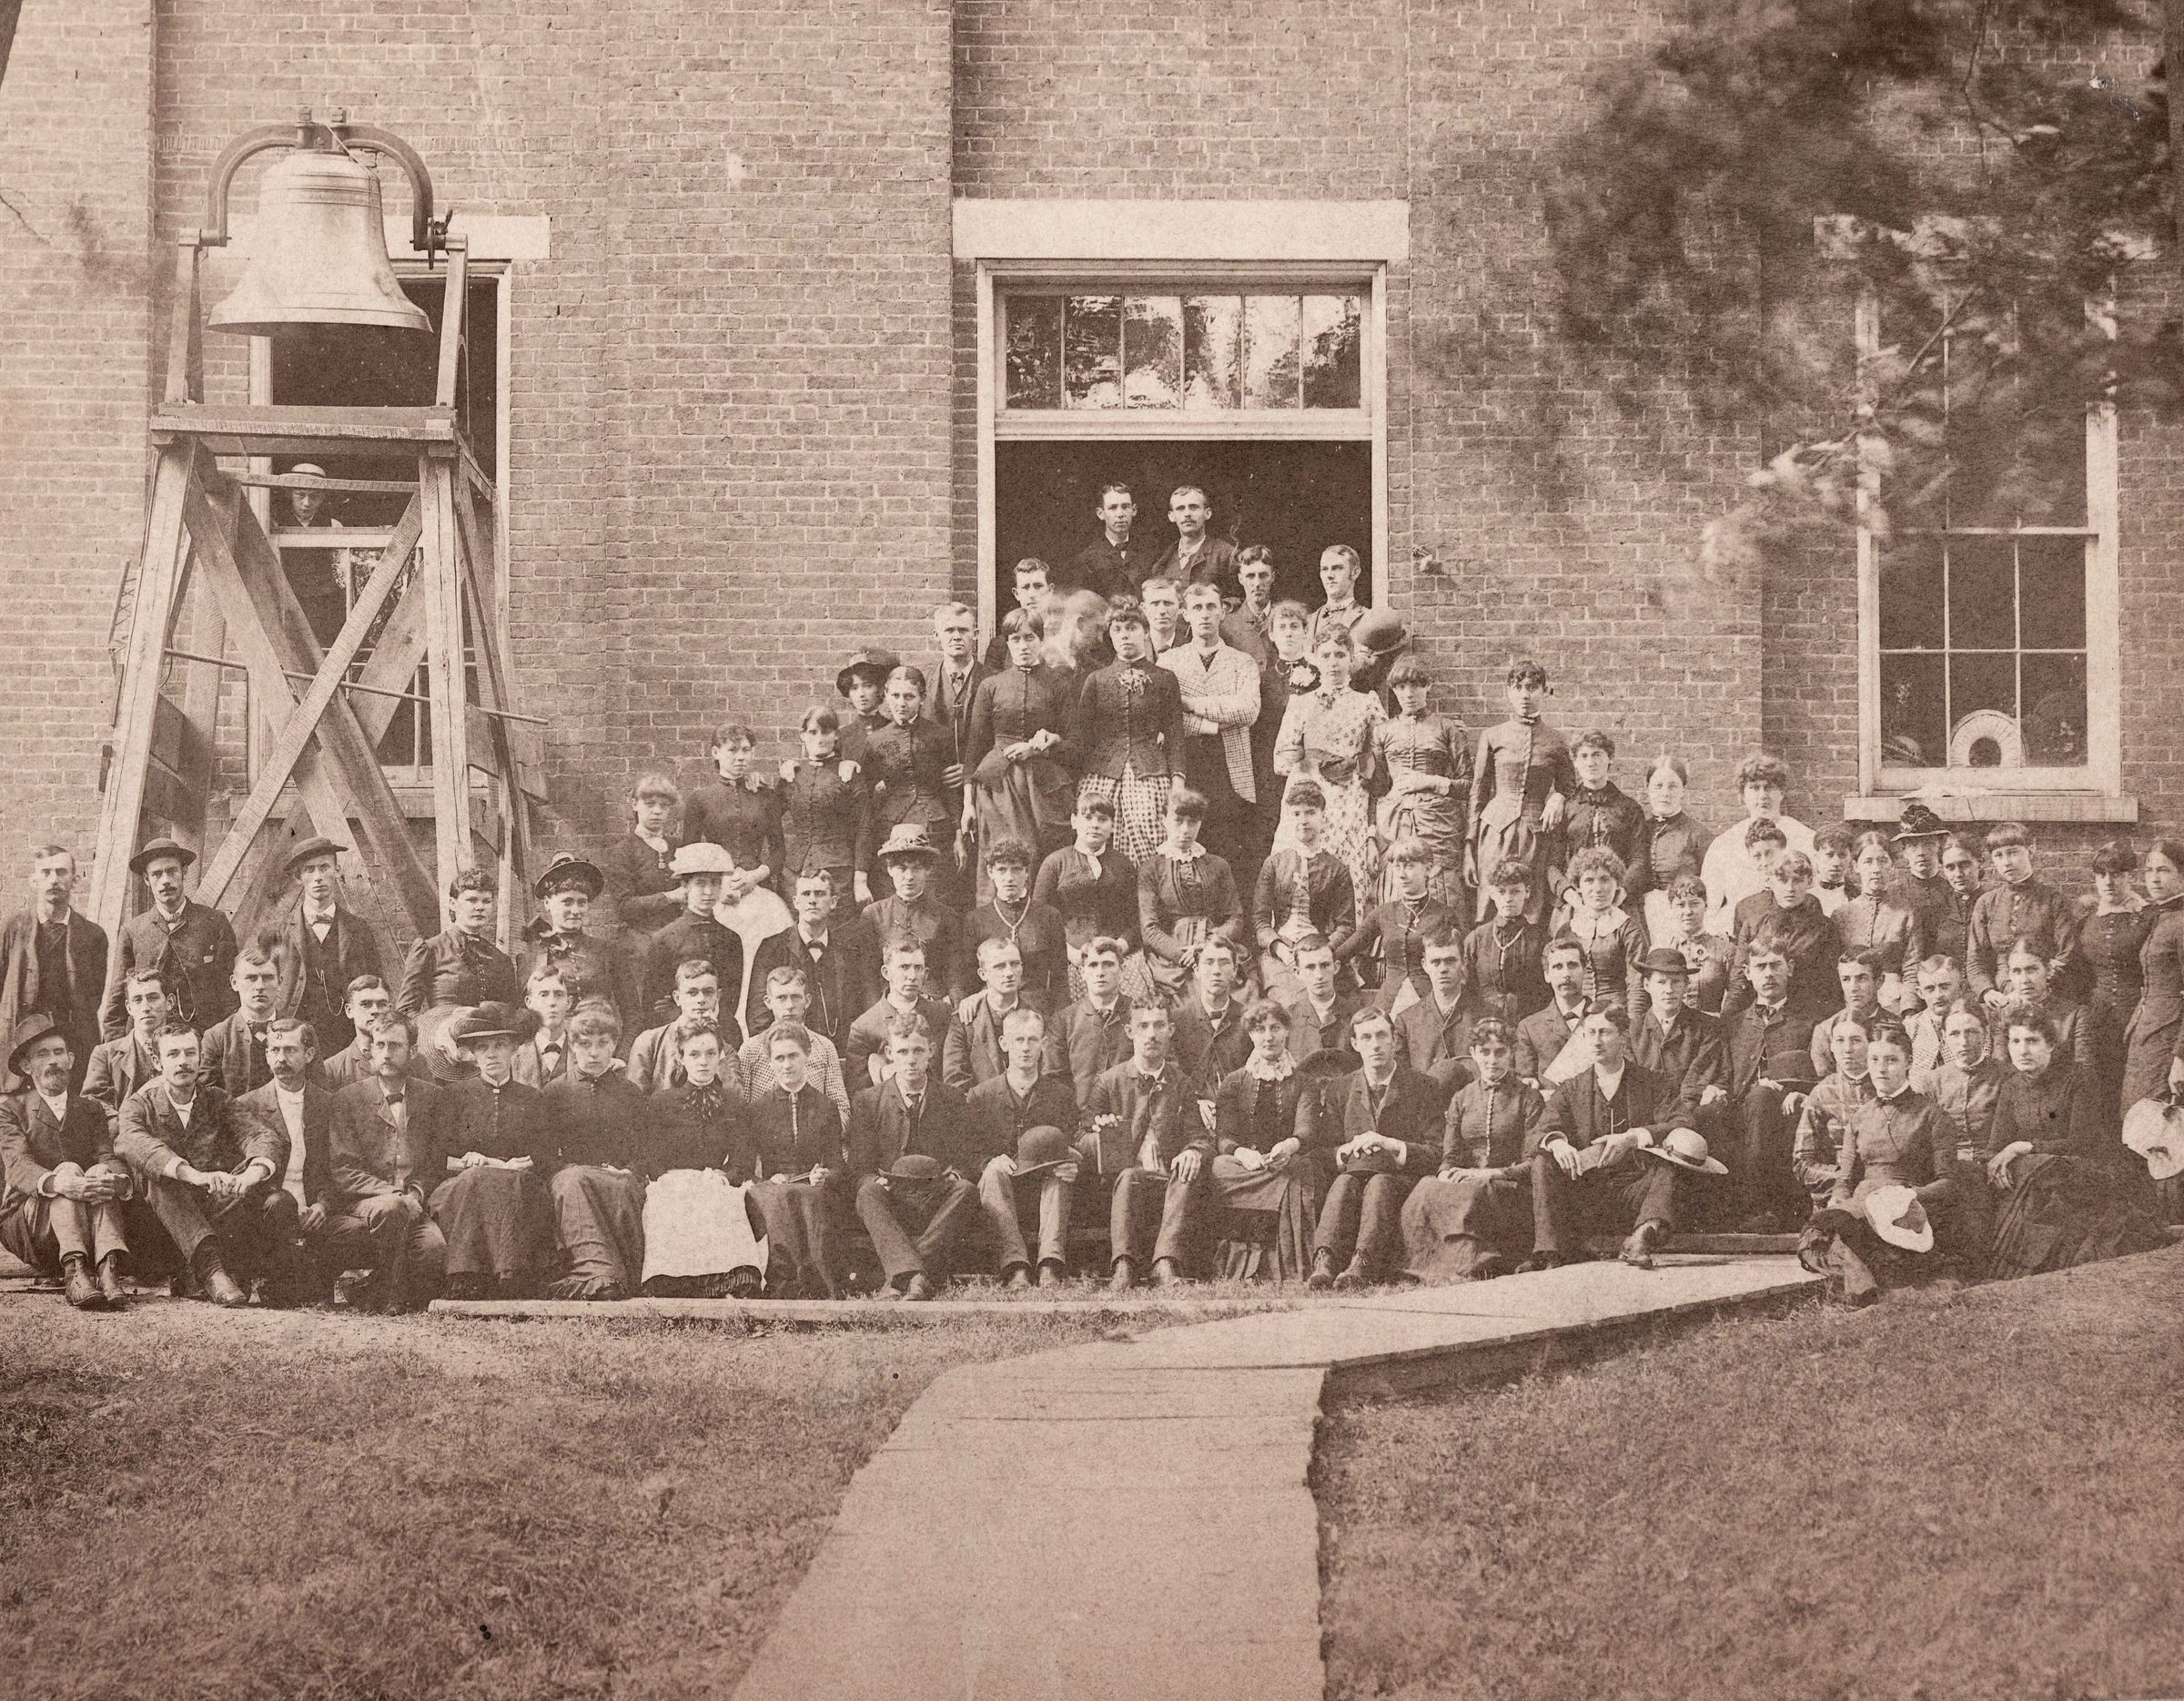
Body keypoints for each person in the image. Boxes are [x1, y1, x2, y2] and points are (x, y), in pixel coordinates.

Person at [1983, 1000, 2169, 1280]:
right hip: (2041, 1174)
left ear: (2050, 1044)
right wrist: (1998, 1162)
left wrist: (2023, 1147)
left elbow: (2083, 1142)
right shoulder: (2011, 1087)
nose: (2022, 1050)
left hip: (2090, 1171)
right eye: (2015, 1041)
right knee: (2029, 1175)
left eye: (2032, 1041)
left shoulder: (2079, 1078)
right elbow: (1997, 1145)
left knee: (2043, 1173)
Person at [116, 1019, 295, 1306]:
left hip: (213, 1207)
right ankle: (211, 1271)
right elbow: (132, 1143)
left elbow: (261, 1136)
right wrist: (192, 1175)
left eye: (190, 1053)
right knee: (157, 1176)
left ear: (200, 1058)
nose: (183, 1061)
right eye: (173, 1054)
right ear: (157, 1062)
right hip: (160, 1227)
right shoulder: (139, 1104)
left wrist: (249, 1175)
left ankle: (223, 1274)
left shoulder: (216, 1099)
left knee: (278, 1199)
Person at [1805, 1022, 1984, 1303]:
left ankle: (1864, 1287)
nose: (1881, 1069)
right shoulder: (1860, 1117)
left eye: (1891, 1060)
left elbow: (1948, 1183)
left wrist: (1908, 1196)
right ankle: (1865, 1285)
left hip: (1906, 1205)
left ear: (1908, 1062)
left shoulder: (1932, 1115)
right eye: (1875, 1060)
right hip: (1862, 1202)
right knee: (1816, 1234)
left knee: (1858, 1237)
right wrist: (1839, 1198)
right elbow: (1846, 1178)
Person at [1523, 1007, 1694, 1271]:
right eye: (1590, 1033)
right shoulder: (1570, 1088)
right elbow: (1535, 1134)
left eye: (1605, 1032)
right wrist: (1556, 1142)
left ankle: (1641, 1237)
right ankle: (1550, 1255)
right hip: (1586, 1197)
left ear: (1623, 1037)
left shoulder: (1652, 1083)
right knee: (1542, 1162)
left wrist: (1633, 1137)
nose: (1596, 1041)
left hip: (1636, 1194)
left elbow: (1682, 1121)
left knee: (1673, 1164)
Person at [847, 1012, 990, 1300]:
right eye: (902, 1051)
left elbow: (968, 1158)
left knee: (966, 1190)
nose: (911, 1060)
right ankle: (918, 1277)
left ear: (931, 1052)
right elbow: (859, 1167)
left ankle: (903, 1275)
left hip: (936, 1198)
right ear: (890, 1053)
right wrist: (875, 1181)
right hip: (892, 1198)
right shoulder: (868, 1101)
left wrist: (955, 1175)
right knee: (867, 1193)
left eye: (918, 1051)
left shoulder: (952, 1099)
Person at [1306, 1005, 1449, 1288]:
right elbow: (1322, 1151)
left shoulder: (1423, 1086)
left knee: (1380, 1182)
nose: (1375, 1045)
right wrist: (1345, 1150)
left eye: (1382, 1036)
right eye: (1367, 1037)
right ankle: (1325, 1260)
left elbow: (1437, 1152)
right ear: (1355, 1044)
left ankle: (1363, 1262)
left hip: (1402, 1181)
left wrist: (1391, 1145)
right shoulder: (1340, 1089)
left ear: (1395, 1040)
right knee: (1344, 1182)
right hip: (1353, 1178)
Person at [1398, 1018, 1549, 1282]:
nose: (1492, 1060)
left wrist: (1490, 1173)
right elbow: (1450, 1156)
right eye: (1485, 1052)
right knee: (1425, 1187)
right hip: (1469, 1180)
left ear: (1512, 1053)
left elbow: (1532, 1163)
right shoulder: (1461, 1098)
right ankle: (1422, 1264)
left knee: (1473, 1193)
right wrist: (1445, 1174)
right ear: (1474, 1053)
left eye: (1500, 1052)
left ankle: (1472, 1262)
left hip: (1510, 1187)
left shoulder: (1529, 1098)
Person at [1077, 1000, 1213, 1290]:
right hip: (1124, 1186)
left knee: (1185, 1174)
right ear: (1129, 1032)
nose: (1152, 1034)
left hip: (1169, 1183)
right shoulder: (1109, 1082)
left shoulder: (1181, 1083)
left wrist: (1193, 1151)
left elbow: (1200, 1137)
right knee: (1129, 1176)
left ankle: (1165, 1264)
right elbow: (1080, 1138)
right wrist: (1102, 1137)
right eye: (1143, 1026)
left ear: (1171, 1030)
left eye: (1159, 1025)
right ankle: (1124, 1265)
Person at [0, 1012, 130, 1308]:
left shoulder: (90, 1109)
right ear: (27, 1066)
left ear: (70, 1060)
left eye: (59, 1052)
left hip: (88, 1222)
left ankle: (108, 1270)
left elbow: (107, 1155)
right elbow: (18, 1166)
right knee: (68, 1170)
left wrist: (115, 1179)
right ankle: (75, 1272)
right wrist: (61, 1183)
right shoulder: (11, 1110)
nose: (53, 1061)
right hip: (32, 1225)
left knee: (101, 1171)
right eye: (42, 1054)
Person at [326, 1014, 450, 1312]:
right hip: (365, 1202)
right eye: (379, 1045)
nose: (385, 1053)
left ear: (413, 1051)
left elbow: (435, 1162)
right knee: (391, 1208)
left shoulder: (432, 1097)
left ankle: (369, 1287)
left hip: (414, 1203)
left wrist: (416, 1194)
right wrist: (395, 1195)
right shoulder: (348, 1098)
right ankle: (391, 1298)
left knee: (434, 1249)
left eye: (395, 1045)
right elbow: (343, 1169)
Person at [637, 1018, 765, 1298]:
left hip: (714, 1180)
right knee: (666, 1201)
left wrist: (725, 1176)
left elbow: (742, 1157)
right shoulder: (661, 1103)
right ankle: (673, 1280)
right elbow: (650, 1155)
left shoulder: (733, 1102)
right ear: (681, 1057)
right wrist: (668, 1177)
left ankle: (726, 1281)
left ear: (720, 1055)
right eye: (694, 1054)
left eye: (710, 1053)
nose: (703, 1062)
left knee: (724, 1199)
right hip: (672, 1182)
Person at [435, 1003, 555, 1300]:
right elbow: (437, 1158)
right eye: (482, 1047)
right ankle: (467, 1275)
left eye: (499, 1045)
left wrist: (520, 1165)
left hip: (519, 1185)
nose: (491, 1054)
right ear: (472, 1054)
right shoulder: (453, 1096)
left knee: (511, 1183)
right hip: (463, 1187)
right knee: (478, 1179)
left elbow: (544, 1157)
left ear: (514, 1049)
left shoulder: (533, 1099)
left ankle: (510, 1275)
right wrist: (470, 1162)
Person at [1207, 999, 1330, 1281]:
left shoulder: (1304, 1082)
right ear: (1251, 1034)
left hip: (1284, 1163)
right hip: (1245, 1167)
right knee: (1219, 1166)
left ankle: (1285, 1264)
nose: (1268, 1036)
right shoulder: (1234, 1082)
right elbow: (1224, 1136)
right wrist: (1242, 1153)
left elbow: (1307, 1129)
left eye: (1275, 1028)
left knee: (1301, 1169)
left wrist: (1289, 1145)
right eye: (1260, 1029)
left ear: (1286, 1031)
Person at [541, 1004, 649, 1300]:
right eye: (585, 1044)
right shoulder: (555, 1092)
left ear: (614, 1045)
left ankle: (623, 1275)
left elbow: (645, 1149)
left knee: (625, 1186)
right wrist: (564, 1168)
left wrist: (630, 1170)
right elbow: (544, 1153)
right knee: (574, 1183)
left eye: (602, 1044)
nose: (594, 1053)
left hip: (616, 1176)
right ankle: (594, 1275)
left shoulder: (630, 1093)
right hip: (572, 1177)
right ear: (573, 1045)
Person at [968, 1006, 1081, 1289]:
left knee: (1061, 1172)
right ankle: (1016, 1267)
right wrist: (988, 1163)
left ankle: (1050, 1264)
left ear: (1044, 1044)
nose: (1025, 1048)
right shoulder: (981, 1096)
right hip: (1001, 1194)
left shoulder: (1061, 1096)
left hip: (1045, 1191)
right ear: (1004, 1044)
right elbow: (968, 1152)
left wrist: (1072, 1163)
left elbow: (1074, 1141)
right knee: (992, 1173)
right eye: (1018, 1040)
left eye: (1032, 1040)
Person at [1275, 627, 1386, 913]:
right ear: (1315, 658)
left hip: (1349, 796)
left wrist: (1360, 764)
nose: (1333, 663)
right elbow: (1280, 760)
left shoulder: (1367, 703)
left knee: (1345, 871)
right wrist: (1305, 757)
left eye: (1340, 655)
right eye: (1326, 655)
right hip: (1309, 791)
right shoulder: (1301, 703)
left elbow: (1384, 752)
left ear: (1351, 658)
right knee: (1301, 868)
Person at [1719, 936, 1825, 1230]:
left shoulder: (1810, 1020)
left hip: (1786, 1112)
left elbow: (1819, 1075)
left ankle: (1761, 1209)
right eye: (1761, 967)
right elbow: (1725, 1073)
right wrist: (1717, 1091)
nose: (1768, 974)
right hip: (1739, 1109)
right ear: (1747, 972)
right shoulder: (1734, 1023)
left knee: (1762, 1099)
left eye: (1775, 966)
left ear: (1790, 968)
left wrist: (1796, 1091)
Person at [234, 1016, 339, 1303]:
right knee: (280, 1205)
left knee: (351, 1234)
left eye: (290, 1050)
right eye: (274, 1050)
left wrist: (323, 1204)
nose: (281, 1058)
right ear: (267, 1055)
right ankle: (274, 1280)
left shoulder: (328, 1103)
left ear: (309, 1054)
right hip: (271, 1211)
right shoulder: (248, 1105)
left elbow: (337, 1167)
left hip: (314, 1211)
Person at [1073, 602, 1185, 868]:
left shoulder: (1164, 679)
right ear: (1110, 635)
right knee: (1095, 835)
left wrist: (1178, 781)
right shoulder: (1096, 680)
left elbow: (1175, 734)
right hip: (1102, 773)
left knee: (1153, 835)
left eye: (1132, 628)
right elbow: (1083, 737)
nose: (1124, 635)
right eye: (1118, 629)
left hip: (1150, 772)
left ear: (1145, 632)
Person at [965, 611, 1077, 876]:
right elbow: (974, 749)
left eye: (1030, 638)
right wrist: (968, 804)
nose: (1023, 645)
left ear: (1041, 639)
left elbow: (1076, 744)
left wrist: (1044, 745)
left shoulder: (1060, 684)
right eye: (1015, 639)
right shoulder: (990, 686)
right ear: (1007, 642)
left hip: (1044, 787)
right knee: (1004, 857)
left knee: (1044, 858)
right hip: (998, 786)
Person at [745, 1022, 851, 1298]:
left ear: (807, 1055)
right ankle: (785, 1281)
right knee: (776, 1197)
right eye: (779, 1058)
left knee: (807, 1197)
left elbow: (837, 1163)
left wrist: (825, 1174)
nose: (787, 1065)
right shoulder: (758, 1109)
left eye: (793, 1056)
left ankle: (814, 1280)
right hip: (773, 1189)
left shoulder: (825, 1106)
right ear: (770, 1061)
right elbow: (745, 1167)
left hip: (812, 1188)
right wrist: (767, 1179)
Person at [1466, 660, 1573, 925]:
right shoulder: (1492, 736)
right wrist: (1469, 847)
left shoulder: (1557, 741)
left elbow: (1569, 786)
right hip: (1494, 833)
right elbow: (1478, 793)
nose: (1525, 695)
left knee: (1532, 907)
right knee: (1492, 903)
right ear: (1509, 692)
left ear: (1544, 691)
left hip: (1536, 834)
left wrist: (1558, 796)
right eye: (1518, 688)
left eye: (1532, 688)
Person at [1160, 580, 1260, 859]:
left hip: (1230, 767)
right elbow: (1166, 718)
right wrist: (1212, 726)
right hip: (1185, 765)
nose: (1204, 614)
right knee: (1183, 846)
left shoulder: (1242, 662)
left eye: (1211, 607)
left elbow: (1248, 711)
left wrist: (1190, 704)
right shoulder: (1169, 662)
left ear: (1222, 611)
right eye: (1197, 608)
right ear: (1185, 614)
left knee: (1228, 850)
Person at [101, 836, 238, 1040]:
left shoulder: (214, 922)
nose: (165, 880)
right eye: (156, 874)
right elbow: (119, 994)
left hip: (204, 1037)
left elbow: (230, 990)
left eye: (172, 871)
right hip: (150, 1037)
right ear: (146, 880)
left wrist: (226, 1041)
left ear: (184, 872)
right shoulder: (133, 931)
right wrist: (115, 1046)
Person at [0, 844, 108, 1092]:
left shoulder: (93, 935)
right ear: (34, 880)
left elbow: (94, 996)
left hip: (72, 1046)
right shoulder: (11, 929)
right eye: (46, 872)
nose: (53, 880)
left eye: (61, 872)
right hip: (20, 1045)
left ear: (75, 880)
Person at [397, 867, 521, 1081]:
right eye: (471, 900)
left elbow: (511, 1013)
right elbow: (405, 1010)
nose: (480, 907)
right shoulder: (430, 950)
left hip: (488, 1063)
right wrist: (436, 1031)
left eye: (486, 901)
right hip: (442, 1058)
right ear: (453, 904)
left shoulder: (501, 960)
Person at [271, 835, 387, 1058]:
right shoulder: (279, 931)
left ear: (337, 870)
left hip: (347, 1036)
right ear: (298, 877)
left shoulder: (358, 929)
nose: (318, 877)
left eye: (324, 867)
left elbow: (375, 983)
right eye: (309, 870)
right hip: (296, 1036)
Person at [1372, 658, 1471, 912]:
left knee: (1442, 888)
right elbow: (1377, 789)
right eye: (1401, 687)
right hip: (1394, 823)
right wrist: (1371, 836)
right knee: (1396, 885)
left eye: (1416, 685)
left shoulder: (1447, 728)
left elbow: (1469, 785)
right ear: (1394, 690)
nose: (1409, 693)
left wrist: (1432, 781)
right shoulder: (1382, 732)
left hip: (1439, 825)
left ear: (1428, 686)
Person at [743, 868, 877, 1051]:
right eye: (806, 894)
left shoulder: (850, 951)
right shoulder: (772, 949)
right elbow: (758, 1016)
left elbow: (866, 1011)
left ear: (833, 902)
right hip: (787, 1054)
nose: (812, 900)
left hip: (841, 1054)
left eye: (820, 894)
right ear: (796, 902)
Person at [858, 669, 960, 902]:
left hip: (936, 825)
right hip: (891, 826)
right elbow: (866, 795)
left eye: (909, 697)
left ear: (922, 698)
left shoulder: (940, 736)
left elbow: (952, 790)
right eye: (895, 696)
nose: (901, 703)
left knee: (934, 890)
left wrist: (958, 835)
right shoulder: (875, 740)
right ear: (886, 696)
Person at [2121, 840, 2184, 1216]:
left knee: (2165, 1128)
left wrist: (2181, 1057)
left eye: (2163, 870)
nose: (2154, 878)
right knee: (2140, 1125)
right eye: (2149, 871)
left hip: (2170, 1039)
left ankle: (2170, 1219)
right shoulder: (2157, 917)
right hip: (2145, 1035)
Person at [1138, 786, 1246, 1002]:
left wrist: (1211, 944)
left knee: (1241, 996)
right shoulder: (1151, 868)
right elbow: (1149, 929)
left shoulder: (1218, 865)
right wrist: (1182, 954)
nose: (1185, 830)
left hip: (1215, 947)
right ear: (1164, 821)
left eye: (1193, 822)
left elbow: (1236, 917)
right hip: (1173, 958)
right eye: (1178, 821)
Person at [1254, 783, 1358, 1004]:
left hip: (1320, 952)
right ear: (1289, 818)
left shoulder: (1337, 869)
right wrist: (1281, 950)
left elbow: (1346, 926)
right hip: (1281, 954)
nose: (1303, 820)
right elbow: (1261, 922)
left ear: (1323, 817)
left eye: (1311, 813)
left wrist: (1324, 950)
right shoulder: (1274, 864)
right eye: (1297, 814)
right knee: (1290, 1002)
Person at [2068, 840, 2151, 1114]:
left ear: (2131, 877)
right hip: (2097, 1017)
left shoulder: (2149, 917)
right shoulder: (2087, 920)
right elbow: (2079, 974)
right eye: (2101, 874)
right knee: (2099, 1088)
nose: (2108, 881)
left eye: (2116, 874)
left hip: (2138, 1016)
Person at [1035, 797, 1139, 1006]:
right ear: (1074, 821)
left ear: (1112, 826)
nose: (1095, 825)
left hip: (1118, 955)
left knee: (1133, 1002)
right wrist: (1070, 953)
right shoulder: (1055, 862)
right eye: (1088, 818)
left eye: (1103, 819)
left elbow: (1137, 918)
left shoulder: (1123, 864)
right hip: (1070, 957)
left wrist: (1120, 946)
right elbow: (1038, 919)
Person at [1698, 754, 1814, 933]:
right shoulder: (1724, 843)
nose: (1762, 796)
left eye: (1769, 787)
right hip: (1739, 928)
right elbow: (1709, 904)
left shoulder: (1804, 837)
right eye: (1754, 788)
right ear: (1743, 795)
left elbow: (1816, 892)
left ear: (1782, 792)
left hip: (1794, 930)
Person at [1967, 822, 2078, 1007]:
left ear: (2031, 851)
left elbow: (2066, 954)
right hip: (1999, 998)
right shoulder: (1986, 903)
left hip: (2044, 995)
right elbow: (1975, 958)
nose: (2006, 862)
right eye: (1999, 855)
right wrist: (1987, 991)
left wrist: (2032, 990)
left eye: (2013, 852)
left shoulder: (2054, 900)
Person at [1721, 849, 1841, 1018]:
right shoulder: (1753, 925)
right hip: (1762, 1015)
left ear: (1809, 882)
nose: (1790, 888)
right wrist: (1726, 1022)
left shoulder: (1824, 928)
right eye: (1782, 880)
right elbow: (1740, 981)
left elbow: (1831, 987)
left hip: (1807, 1016)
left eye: (1798, 881)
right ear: (1770, 881)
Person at [1342, 836, 1459, 1008]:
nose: (1402, 875)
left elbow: (1460, 964)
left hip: (1430, 1003)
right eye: (1397, 867)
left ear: (1428, 869)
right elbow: (1344, 951)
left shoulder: (1444, 915)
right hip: (1388, 1004)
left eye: (1410, 866)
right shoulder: (1383, 913)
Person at [683, 724, 787, 912]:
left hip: (758, 887)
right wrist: (719, 882)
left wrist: (755, 876)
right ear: (715, 752)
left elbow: (779, 851)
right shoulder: (699, 799)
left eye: (746, 750)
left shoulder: (765, 796)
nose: (741, 757)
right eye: (732, 750)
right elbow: (689, 855)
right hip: (717, 892)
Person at [641, 843, 744, 1028]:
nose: (709, 892)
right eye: (700, 883)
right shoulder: (665, 939)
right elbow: (654, 1004)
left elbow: (731, 997)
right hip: (677, 1028)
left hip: (721, 1027)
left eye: (715, 883)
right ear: (685, 886)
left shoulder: (731, 938)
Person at [864, 825, 969, 1002]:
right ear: (890, 870)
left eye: (917, 868)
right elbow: (868, 977)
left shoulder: (946, 916)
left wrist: (953, 1006)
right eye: (901, 868)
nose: (909, 876)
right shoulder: (873, 915)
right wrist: (877, 1012)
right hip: (889, 1003)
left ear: (928, 870)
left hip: (934, 1003)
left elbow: (955, 975)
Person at [1630, 947, 1728, 1138]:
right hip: (1643, 1123)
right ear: (1646, 985)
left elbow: (1696, 1085)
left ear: (1686, 985)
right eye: (1661, 982)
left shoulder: (1707, 1027)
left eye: (1676, 982)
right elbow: (1632, 1087)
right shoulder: (1632, 1031)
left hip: (1689, 1122)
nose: (1669, 990)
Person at [779, 708, 871, 909]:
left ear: (836, 735)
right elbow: (766, 814)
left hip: (838, 871)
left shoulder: (848, 773)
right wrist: (753, 780)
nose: (820, 739)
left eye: (826, 732)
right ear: (802, 735)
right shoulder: (793, 775)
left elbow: (864, 827)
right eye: (813, 732)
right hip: (795, 872)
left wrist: (860, 878)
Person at [736, 966, 854, 1121]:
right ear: (768, 1002)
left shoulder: (825, 1047)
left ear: (807, 1001)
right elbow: (741, 1110)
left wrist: (823, 1132)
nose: (789, 1005)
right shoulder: (750, 1049)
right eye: (781, 998)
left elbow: (842, 1107)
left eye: (796, 997)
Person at [966, 839, 1067, 1017]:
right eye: (1002, 870)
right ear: (990, 872)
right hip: (992, 1010)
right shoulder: (976, 920)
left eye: (1016, 869)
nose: (1009, 878)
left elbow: (1060, 978)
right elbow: (967, 978)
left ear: (1027, 872)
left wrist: (1060, 1020)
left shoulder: (1049, 916)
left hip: (1037, 1011)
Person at [1791, 1011, 1877, 1212]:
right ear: (1831, 1046)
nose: (1847, 1049)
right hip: (1834, 1196)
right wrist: (1843, 1179)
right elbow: (1802, 1163)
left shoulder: (1885, 1086)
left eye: (1856, 1040)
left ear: (1870, 1044)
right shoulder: (1821, 1093)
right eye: (1839, 1040)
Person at [846, 935, 955, 1089]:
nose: (912, 976)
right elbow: (860, 1094)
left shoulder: (943, 1014)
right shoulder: (864, 1027)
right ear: (886, 972)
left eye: (918, 968)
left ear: (926, 974)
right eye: (904, 967)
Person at [1835, 832, 1923, 1011]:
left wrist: (1908, 1009)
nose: (1876, 869)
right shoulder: (1841, 915)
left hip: (1894, 1000)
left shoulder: (1906, 912)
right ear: (1855, 866)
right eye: (1868, 862)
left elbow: (1913, 968)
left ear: (1892, 865)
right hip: (1850, 1002)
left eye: (1882, 861)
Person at [1045, 936, 1137, 1107]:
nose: (1100, 972)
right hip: (1079, 1116)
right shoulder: (1063, 1020)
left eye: (1108, 964)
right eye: (1093, 965)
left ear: (1122, 970)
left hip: (1128, 1115)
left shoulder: (1139, 1014)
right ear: (1082, 972)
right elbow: (1053, 1079)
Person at [1626, 755, 1711, 941]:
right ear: (1647, 788)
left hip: (1681, 918)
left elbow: (1711, 886)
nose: (1665, 793)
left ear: (1683, 790)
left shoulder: (1698, 834)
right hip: (1639, 919)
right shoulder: (1637, 831)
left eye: (1673, 786)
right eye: (1658, 786)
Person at [928, 602, 993, 843]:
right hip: (937, 791)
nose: (956, 636)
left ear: (975, 634)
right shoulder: (922, 683)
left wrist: (970, 770)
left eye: (963, 630)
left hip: (983, 788)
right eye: (949, 630)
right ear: (936, 635)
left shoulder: (994, 680)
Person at [1558, 846, 1646, 1021]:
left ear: (1617, 884)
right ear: (1578, 886)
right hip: (1575, 1016)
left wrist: (1632, 1026)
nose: (1597, 888)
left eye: (1605, 879)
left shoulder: (1628, 929)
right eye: (1589, 880)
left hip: (1616, 1016)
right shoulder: (1567, 930)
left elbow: (1637, 984)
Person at [1461, 858, 1551, 1027]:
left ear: (1527, 892)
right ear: (1492, 894)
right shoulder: (1476, 939)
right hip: (1484, 1023)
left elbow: (1546, 992)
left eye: (1515, 891)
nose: (1508, 898)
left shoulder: (1539, 939)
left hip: (1528, 1022)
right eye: (1501, 892)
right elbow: (1465, 989)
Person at [85, 969, 171, 1137]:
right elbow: (93, 1103)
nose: (146, 1007)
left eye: (153, 998)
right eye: (137, 1000)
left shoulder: (188, 1048)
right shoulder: (105, 1054)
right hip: (126, 1138)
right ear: (129, 1007)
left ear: (169, 1002)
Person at [1987, 937, 2093, 1074]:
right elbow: (2000, 1066)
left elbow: (2083, 1069)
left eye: (2031, 970)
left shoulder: (2075, 1015)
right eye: (2017, 971)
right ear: (2009, 975)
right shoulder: (2002, 1012)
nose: (2024, 980)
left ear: (2048, 970)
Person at [598, 771, 685, 937]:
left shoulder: (678, 847)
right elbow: (624, 906)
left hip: (677, 935)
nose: (657, 811)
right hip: (640, 936)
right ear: (635, 804)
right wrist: (669, 897)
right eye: (650, 804)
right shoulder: (623, 851)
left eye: (664, 806)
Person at [1924, 997, 2009, 1163]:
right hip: (1949, 1165)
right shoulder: (1932, 1081)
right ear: (1944, 1037)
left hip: (1997, 1162)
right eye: (1954, 1034)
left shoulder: (2006, 1075)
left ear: (1985, 1033)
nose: (1963, 1042)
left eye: (1971, 1032)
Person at [199, 942, 288, 1099]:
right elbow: (207, 1099)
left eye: (267, 978)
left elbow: (315, 1093)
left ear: (279, 982)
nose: (259, 986)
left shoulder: (299, 1032)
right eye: (251, 978)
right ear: (234, 983)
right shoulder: (216, 1037)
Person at [943, 936, 1029, 1095]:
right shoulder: (964, 1023)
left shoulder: (1035, 1018)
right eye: (999, 966)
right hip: (980, 1108)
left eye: (1015, 964)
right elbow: (956, 1083)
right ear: (983, 974)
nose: (1009, 973)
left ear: (1022, 968)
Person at [1169, 936, 1253, 1098]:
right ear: (1197, 970)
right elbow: (1173, 1076)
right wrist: (1195, 1103)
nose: (1216, 971)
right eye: (1209, 962)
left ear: (1234, 971)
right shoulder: (1177, 1020)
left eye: (1224, 963)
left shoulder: (1249, 1019)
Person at [627, 960, 727, 1093]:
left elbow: (736, 1099)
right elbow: (633, 1099)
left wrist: (716, 1045)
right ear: (677, 998)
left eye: (708, 992)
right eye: (692, 993)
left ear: (717, 997)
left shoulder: (725, 1050)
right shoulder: (649, 1042)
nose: (701, 1000)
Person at [1515, 934, 1595, 1088]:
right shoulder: (1529, 1028)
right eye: (1558, 967)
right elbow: (1526, 1079)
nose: (1566, 974)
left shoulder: (1605, 1019)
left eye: (1572, 965)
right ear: (1547, 975)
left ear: (1585, 970)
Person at [1647, 873, 1733, 1017]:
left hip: (1711, 1026)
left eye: (1694, 904)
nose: (1688, 911)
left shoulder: (1724, 949)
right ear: (1671, 907)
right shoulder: (1660, 949)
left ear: (1706, 906)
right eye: (1680, 905)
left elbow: (1736, 996)